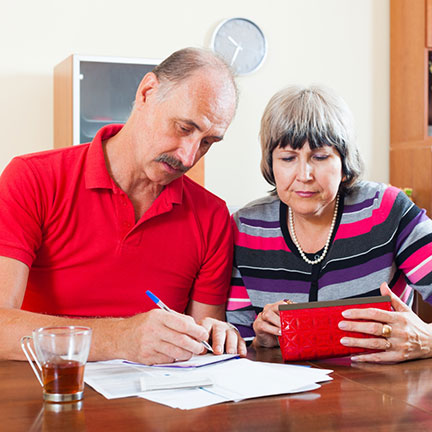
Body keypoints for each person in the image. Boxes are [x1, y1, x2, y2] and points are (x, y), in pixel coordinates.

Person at [0, 47, 246, 364]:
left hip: (155, 406)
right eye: (184, 128)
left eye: (207, 142)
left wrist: (213, 336)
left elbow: (200, 345)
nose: (187, 156)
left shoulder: (212, 216)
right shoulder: (31, 179)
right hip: (48, 398)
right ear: (147, 92)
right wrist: (121, 339)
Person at [227, 85, 432, 363]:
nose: (304, 175)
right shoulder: (246, 228)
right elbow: (234, 340)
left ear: (344, 161)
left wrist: (427, 339)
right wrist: (261, 340)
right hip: (284, 401)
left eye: (320, 157)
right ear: (270, 164)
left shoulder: (385, 210)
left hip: (381, 393)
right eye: (288, 158)